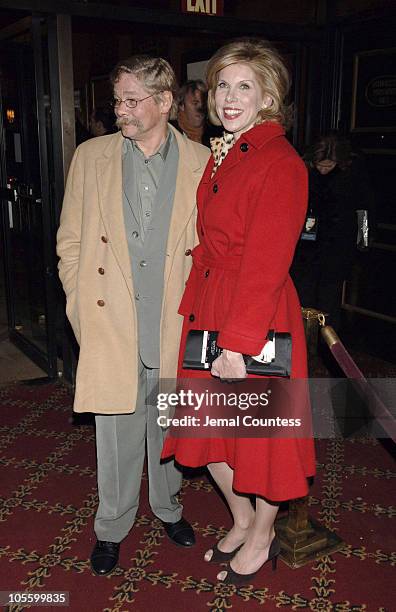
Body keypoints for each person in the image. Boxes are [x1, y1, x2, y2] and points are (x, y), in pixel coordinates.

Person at [161, 38, 316, 585]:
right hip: (211, 300)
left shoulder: (279, 160)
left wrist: (238, 343)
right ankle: (244, 517)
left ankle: (265, 533)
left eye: (244, 86)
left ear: (269, 95)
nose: (229, 96)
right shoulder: (229, 148)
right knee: (205, 428)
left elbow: (268, 261)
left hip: (255, 311)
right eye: (222, 84)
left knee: (260, 434)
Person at [56, 55, 210, 576]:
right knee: (116, 434)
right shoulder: (91, 156)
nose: (119, 109)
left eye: (130, 100)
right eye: (117, 100)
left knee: (168, 425)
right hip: (112, 321)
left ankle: (169, 509)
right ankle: (111, 526)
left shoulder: (203, 161)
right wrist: (81, 308)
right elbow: (71, 243)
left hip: (174, 322)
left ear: (164, 101)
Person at [291, 134, 376, 330]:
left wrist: (363, 242)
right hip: (306, 246)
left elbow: (364, 210)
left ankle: (327, 345)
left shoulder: (353, 173)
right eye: (319, 165)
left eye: (328, 166)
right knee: (303, 295)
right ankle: (302, 342)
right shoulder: (303, 169)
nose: (322, 170)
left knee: (329, 297)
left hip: (338, 245)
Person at [171, 79, 222, 147]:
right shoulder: (171, 133)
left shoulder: (215, 133)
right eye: (195, 103)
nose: (200, 108)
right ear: (182, 105)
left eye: (203, 103)